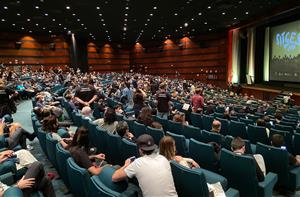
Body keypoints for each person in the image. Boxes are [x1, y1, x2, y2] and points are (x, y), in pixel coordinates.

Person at [112, 134, 178, 197]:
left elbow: (114, 178)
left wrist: (126, 165)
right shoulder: (164, 159)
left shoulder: (137, 163)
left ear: (140, 150)